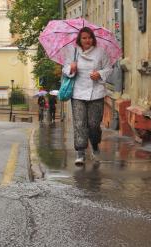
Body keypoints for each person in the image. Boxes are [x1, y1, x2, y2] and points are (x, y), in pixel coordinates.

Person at [62, 27, 113, 166]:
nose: (87, 40)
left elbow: (109, 68)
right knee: (79, 124)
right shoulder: (72, 52)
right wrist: (70, 68)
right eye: (84, 38)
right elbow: (65, 68)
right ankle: (80, 152)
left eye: (89, 37)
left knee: (93, 125)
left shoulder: (101, 52)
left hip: (96, 93)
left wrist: (100, 74)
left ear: (93, 38)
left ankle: (95, 145)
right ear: (79, 39)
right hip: (78, 93)